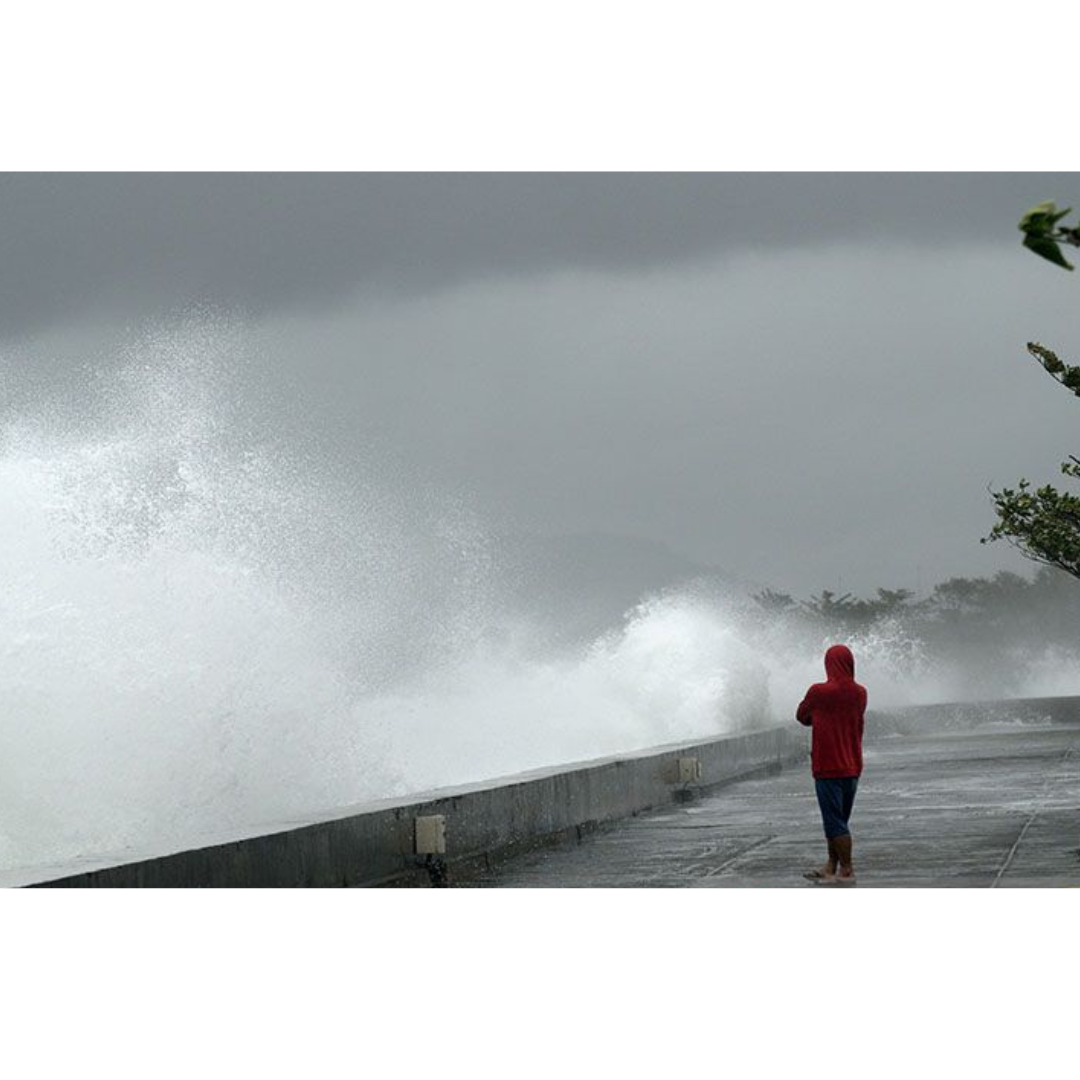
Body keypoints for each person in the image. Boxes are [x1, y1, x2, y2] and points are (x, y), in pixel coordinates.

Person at [796, 644, 866, 885]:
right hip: (852, 766)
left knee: (834, 821)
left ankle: (846, 869)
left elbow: (802, 716)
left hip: (827, 767)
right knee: (838, 820)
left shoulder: (818, 692)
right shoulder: (860, 693)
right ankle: (831, 865)